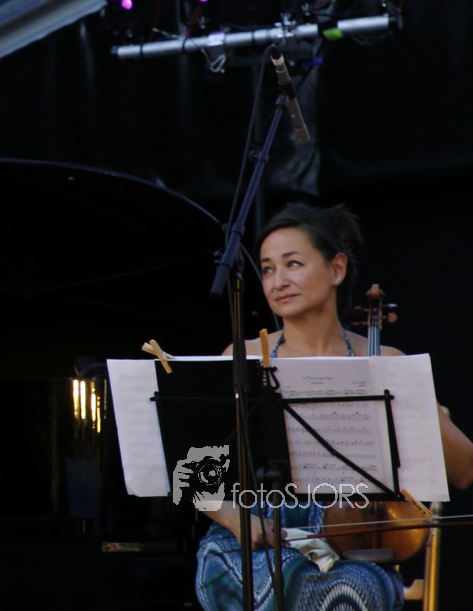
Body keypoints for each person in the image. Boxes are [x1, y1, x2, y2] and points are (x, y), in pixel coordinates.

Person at [195, 202, 473, 610]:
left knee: (356, 589)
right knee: (278, 576)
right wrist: (239, 521)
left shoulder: (384, 360)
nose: (277, 281)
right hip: (251, 540)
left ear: (337, 269)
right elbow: (197, 474)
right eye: (268, 269)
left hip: (350, 548)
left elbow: (464, 470)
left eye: (292, 264)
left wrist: (406, 393)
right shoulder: (244, 357)